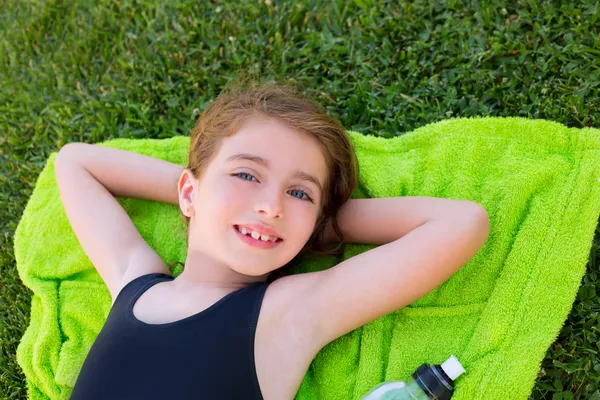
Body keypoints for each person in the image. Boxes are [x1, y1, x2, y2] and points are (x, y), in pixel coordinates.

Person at [54, 79, 490, 400]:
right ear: (187, 192)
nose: (272, 205)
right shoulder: (134, 282)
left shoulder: (286, 315)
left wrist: (316, 226)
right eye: (246, 174)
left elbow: (461, 224)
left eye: (299, 192)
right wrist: (203, 192)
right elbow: (75, 163)